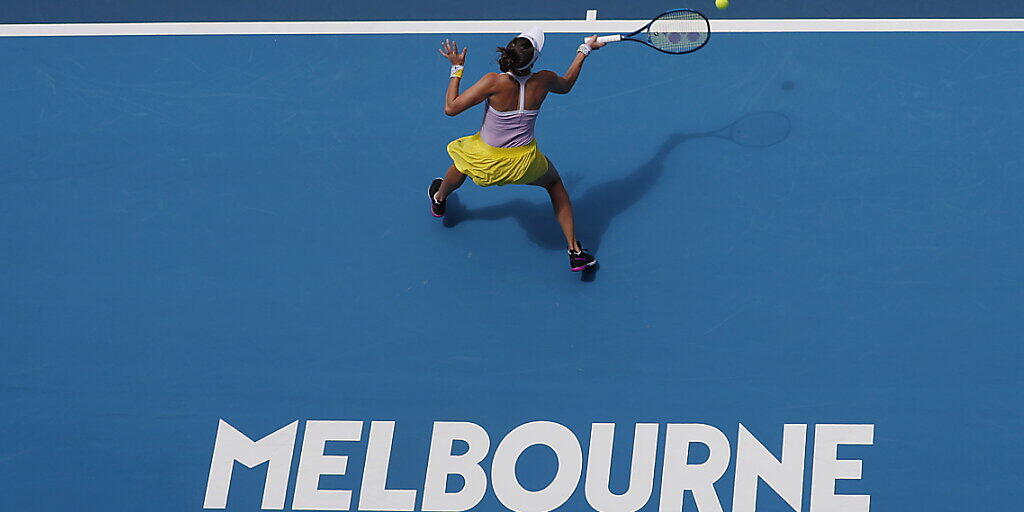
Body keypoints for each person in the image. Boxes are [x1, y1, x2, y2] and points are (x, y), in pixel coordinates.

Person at [431, 28, 603, 272]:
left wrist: (456, 68)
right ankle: (575, 251)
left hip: (486, 160)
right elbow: (567, 85)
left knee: (462, 164)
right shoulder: (544, 80)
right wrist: (584, 50)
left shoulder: (493, 82)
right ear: (533, 61)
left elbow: (451, 108)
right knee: (554, 184)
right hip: (525, 162)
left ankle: (439, 199)